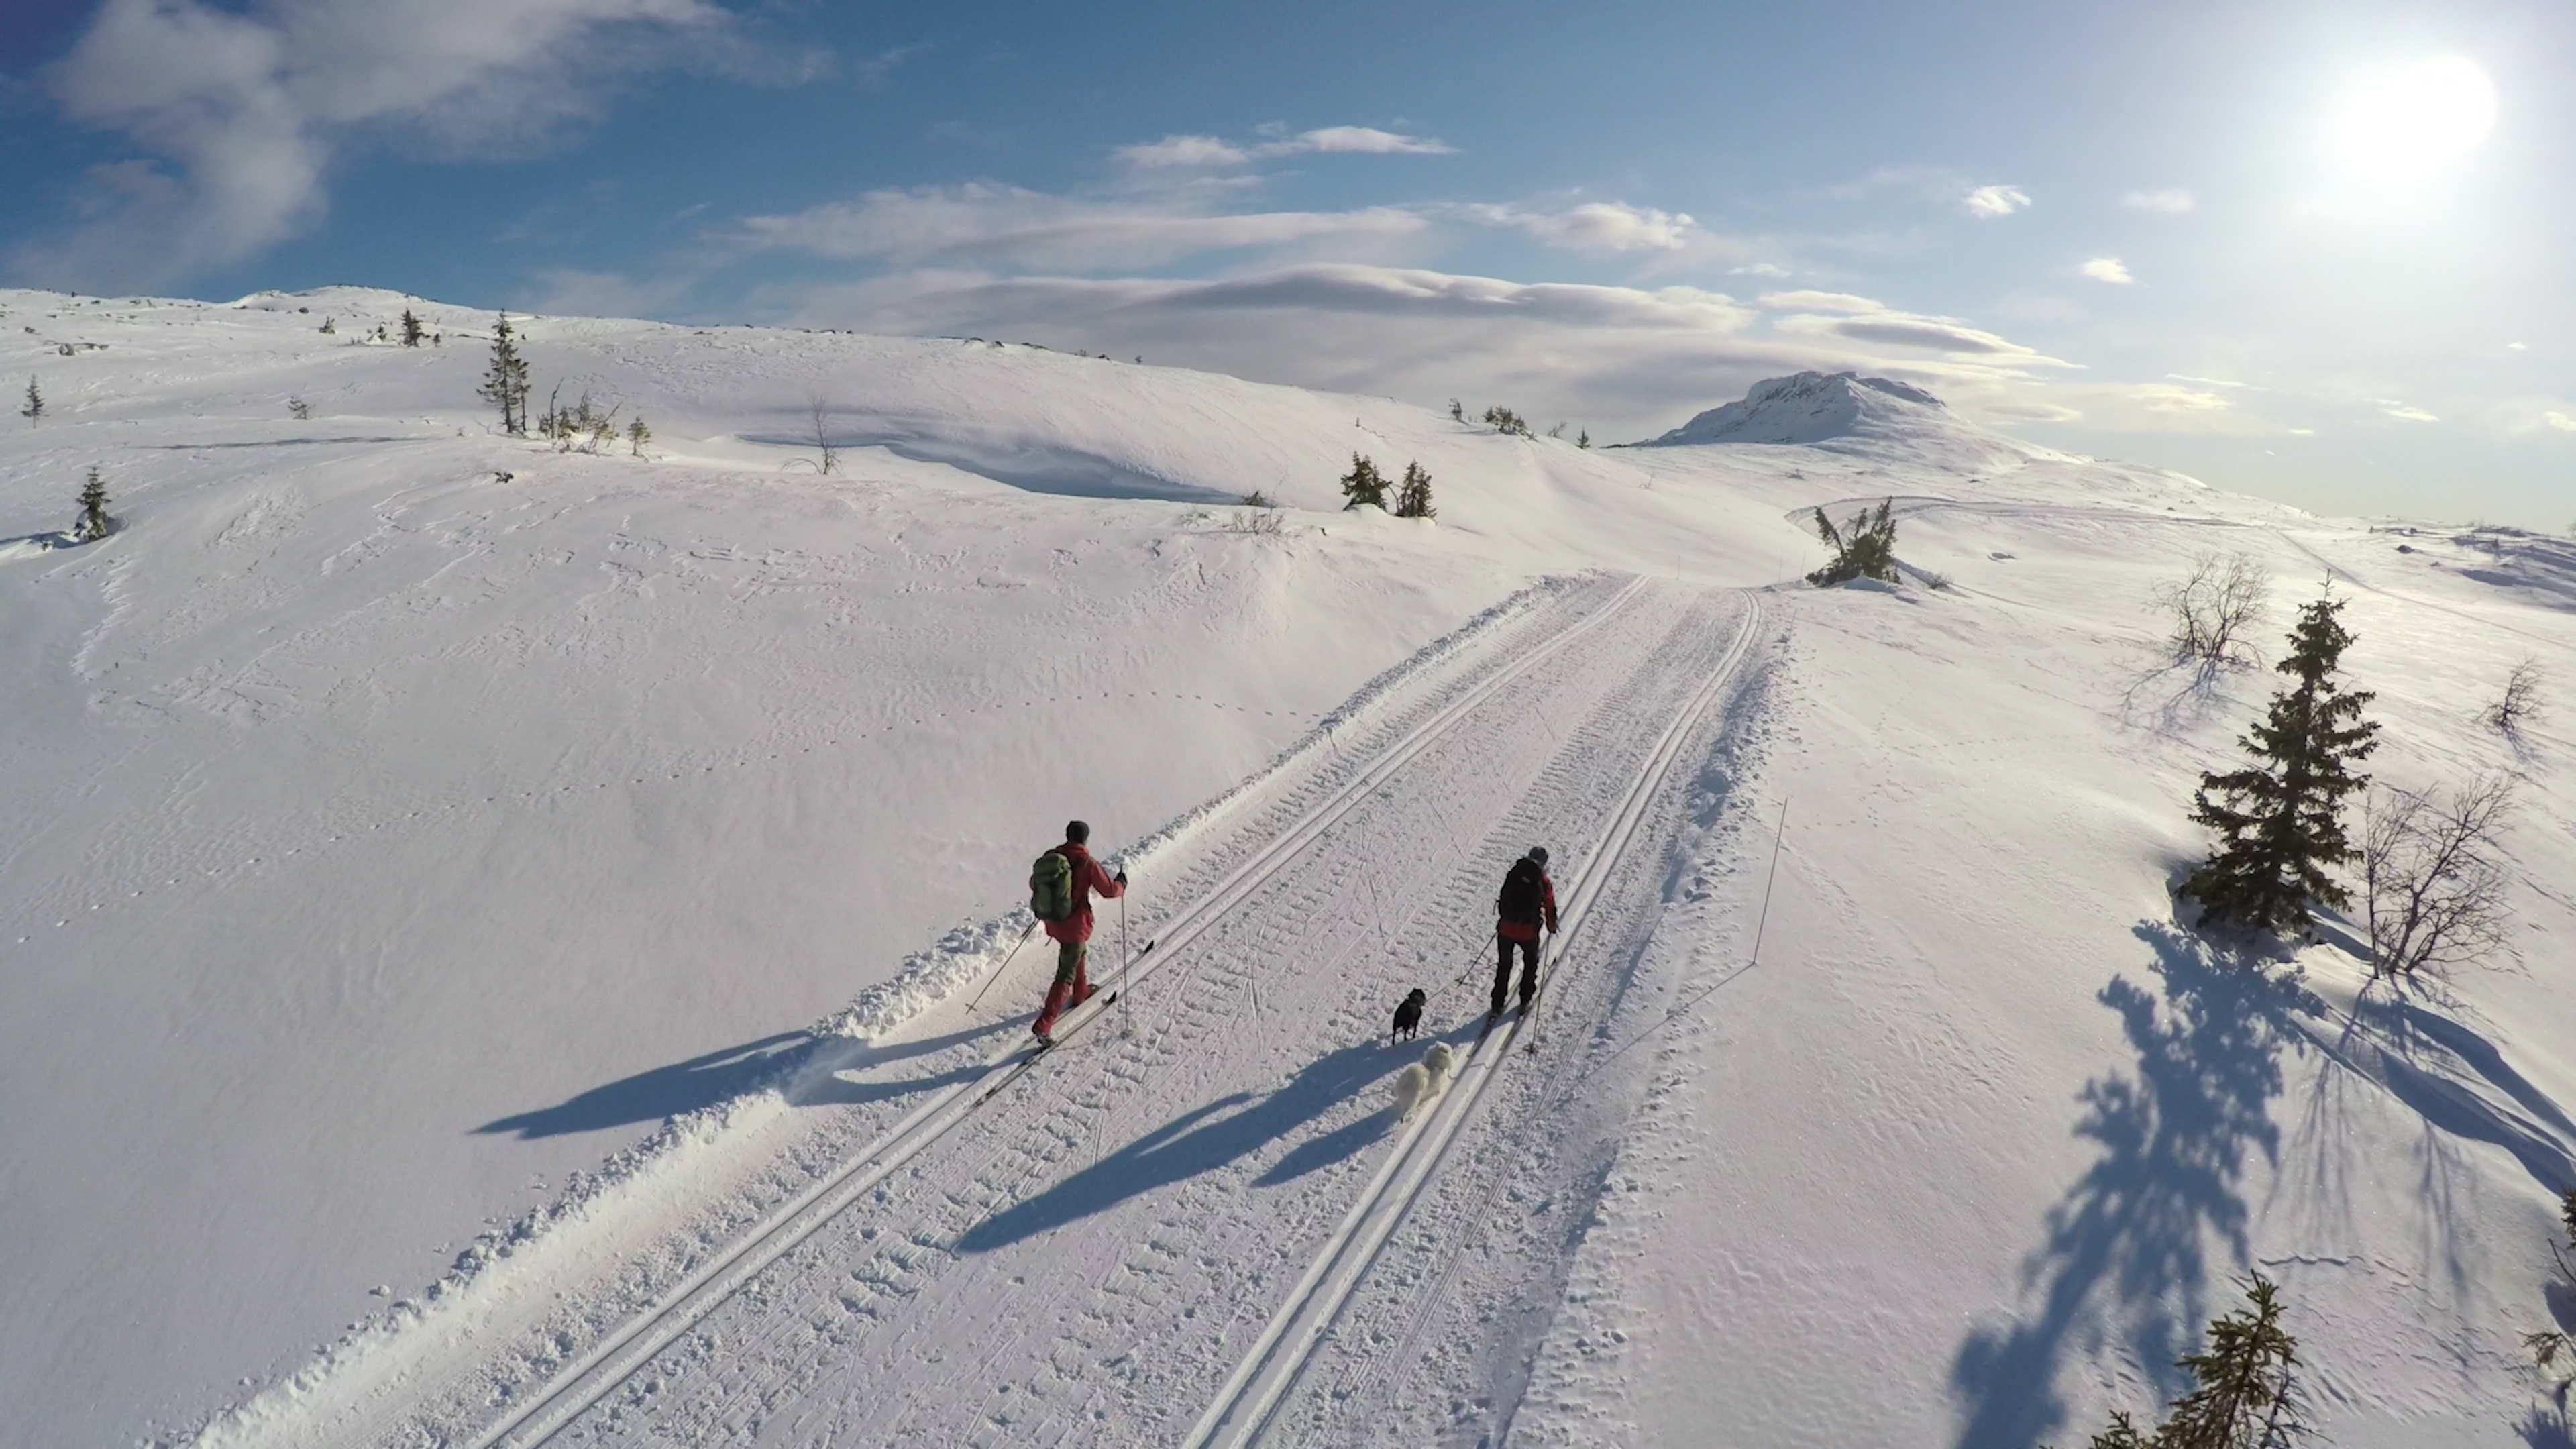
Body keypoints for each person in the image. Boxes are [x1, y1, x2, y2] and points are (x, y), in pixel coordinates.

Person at [1035, 819, 1125, 1044]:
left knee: (1077, 953)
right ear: (1085, 838)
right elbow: (1109, 891)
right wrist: (1122, 883)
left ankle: (1081, 992)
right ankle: (1044, 1024)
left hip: (1055, 921)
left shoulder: (1053, 857)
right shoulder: (1087, 861)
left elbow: (1034, 884)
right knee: (1066, 971)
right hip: (1075, 925)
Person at [1493, 846, 1558, 1018]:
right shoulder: (1543, 881)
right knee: (1530, 964)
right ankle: (1525, 1001)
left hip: (1506, 928)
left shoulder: (1514, 873)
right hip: (1528, 932)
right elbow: (1549, 905)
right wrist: (1551, 926)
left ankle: (1497, 1004)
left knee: (1504, 965)